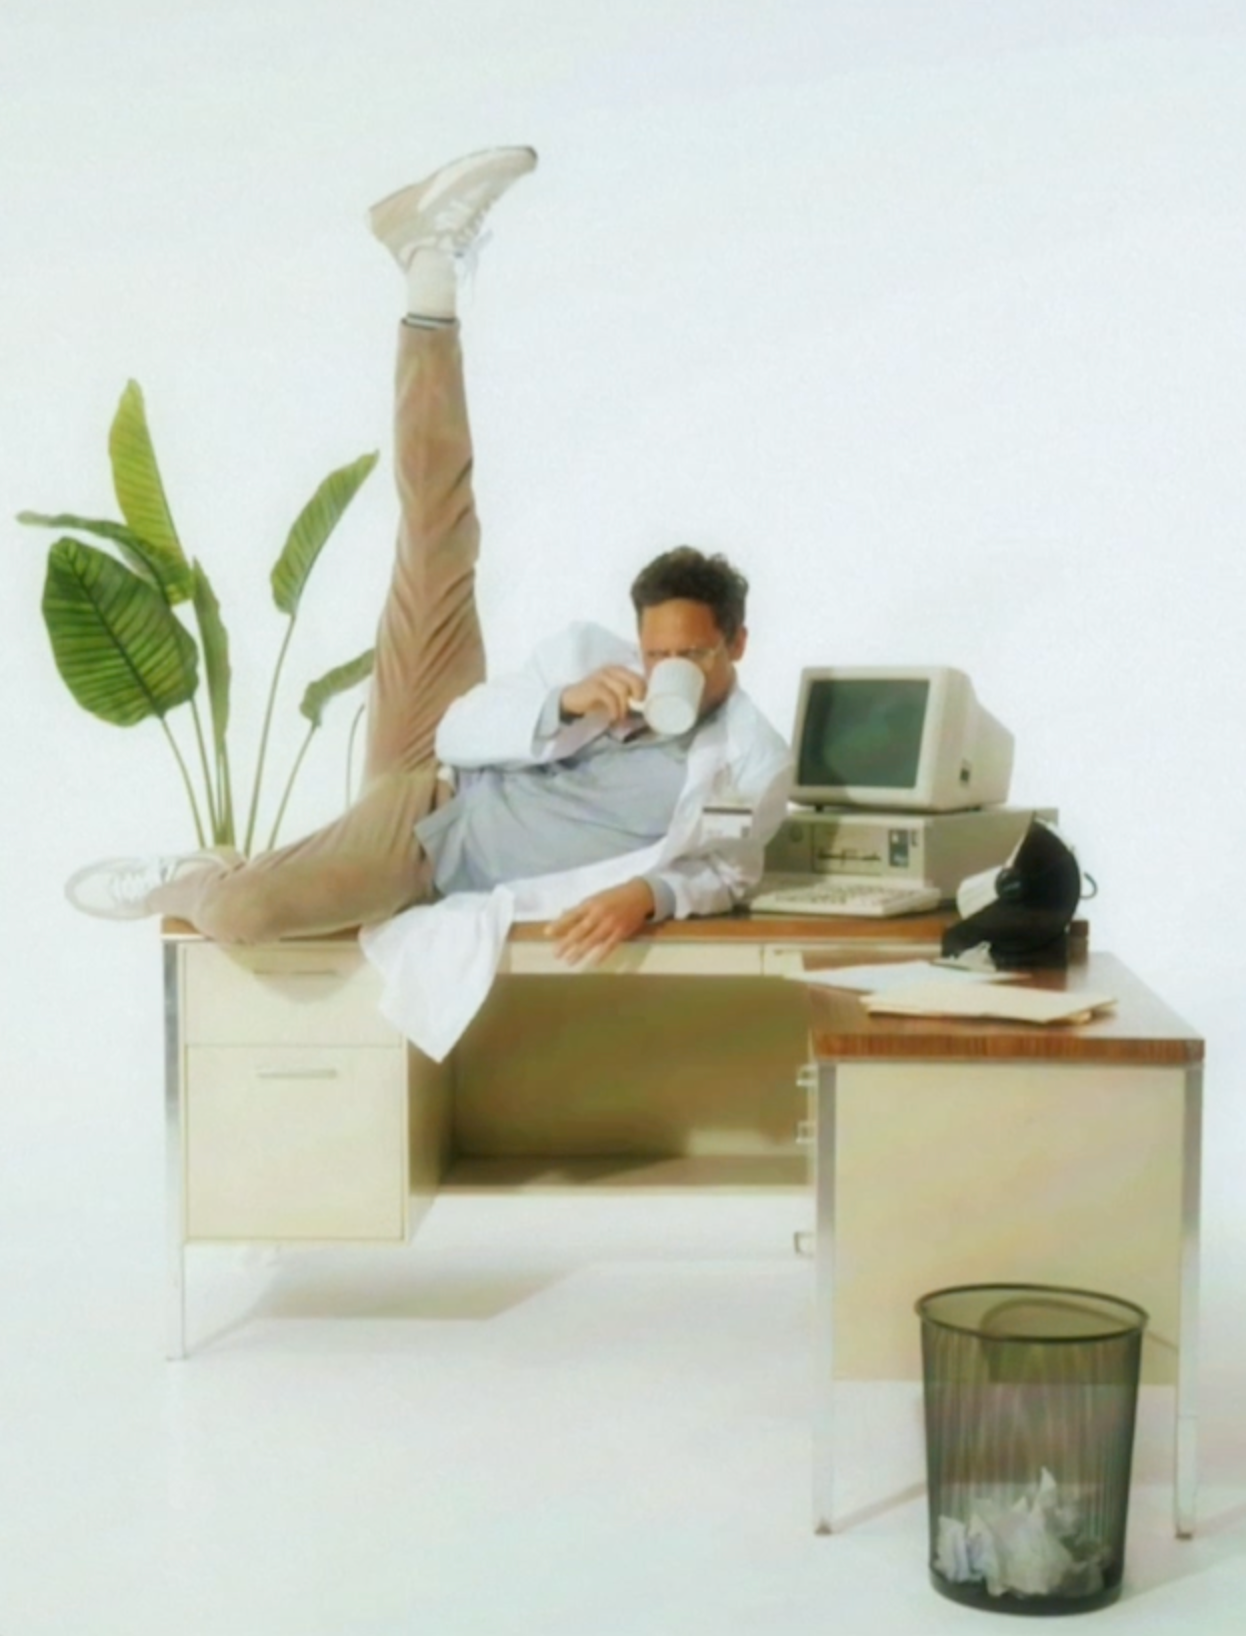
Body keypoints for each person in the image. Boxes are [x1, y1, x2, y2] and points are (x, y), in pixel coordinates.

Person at [66, 147, 793, 1055]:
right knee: (437, 535)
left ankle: (195, 877)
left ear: (737, 645)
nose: (667, 669)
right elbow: (461, 727)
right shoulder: (594, 667)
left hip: (421, 847)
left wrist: (650, 893)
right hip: (442, 748)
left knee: (246, 911)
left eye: (691, 655)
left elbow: (730, 868)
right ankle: (430, 272)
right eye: (656, 651)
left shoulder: (754, 758)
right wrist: (562, 704)